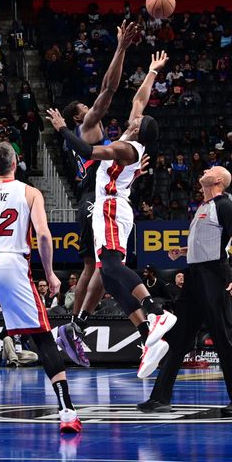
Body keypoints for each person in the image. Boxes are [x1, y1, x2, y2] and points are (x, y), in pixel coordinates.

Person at [47, 53, 176, 379]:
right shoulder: (123, 138)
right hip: (109, 203)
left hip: (106, 205)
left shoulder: (123, 146)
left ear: (137, 129)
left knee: (105, 267)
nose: (131, 119)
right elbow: (139, 100)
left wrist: (62, 130)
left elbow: (90, 151)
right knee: (108, 272)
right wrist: (150, 72)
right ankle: (146, 334)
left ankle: (150, 311)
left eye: (135, 122)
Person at [0, 142, 81, 433]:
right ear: (15, 163)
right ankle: (66, 410)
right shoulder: (30, 192)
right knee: (42, 338)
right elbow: (43, 234)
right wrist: (51, 273)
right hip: (13, 263)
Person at [55, 21, 140, 368]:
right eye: (88, 106)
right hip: (95, 201)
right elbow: (108, 87)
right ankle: (75, 327)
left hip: (87, 200)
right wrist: (120, 48)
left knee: (97, 267)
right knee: (105, 266)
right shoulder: (88, 125)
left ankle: (75, 328)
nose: (96, 106)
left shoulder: (88, 137)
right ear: (80, 115)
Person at [137, 166, 232, 415]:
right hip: (194, 275)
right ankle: (160, 398)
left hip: (214, 276)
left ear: (219, 180)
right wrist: (184, 251)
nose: (207, 169)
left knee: (223, 337)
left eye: (212, 169)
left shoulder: (224, 205)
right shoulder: (202, 207)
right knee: (177, 338)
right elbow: (207, 243)